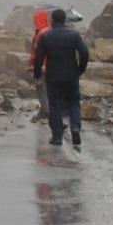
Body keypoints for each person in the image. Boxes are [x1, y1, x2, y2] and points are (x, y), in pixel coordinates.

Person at [33, 8, 89, 146]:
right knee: (74, 103)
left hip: (53, 77)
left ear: (52, 20)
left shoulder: (46, 37)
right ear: (64, 20)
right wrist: (80, 69)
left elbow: (38, 58)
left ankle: (57, 137)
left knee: (55, 106)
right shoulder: (74, 35)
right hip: (71, 76)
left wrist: (37, 75)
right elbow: (85, 53)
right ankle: (75, 128)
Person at [27, 9, 50, 122]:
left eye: (35, 19)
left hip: (41, 68)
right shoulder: (47, 31)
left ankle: (46, 112)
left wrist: (36, 74)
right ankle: (48, 110)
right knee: (46, 90)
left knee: (42, 90)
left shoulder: (42, 33)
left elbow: (38, 54)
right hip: (47, 68)